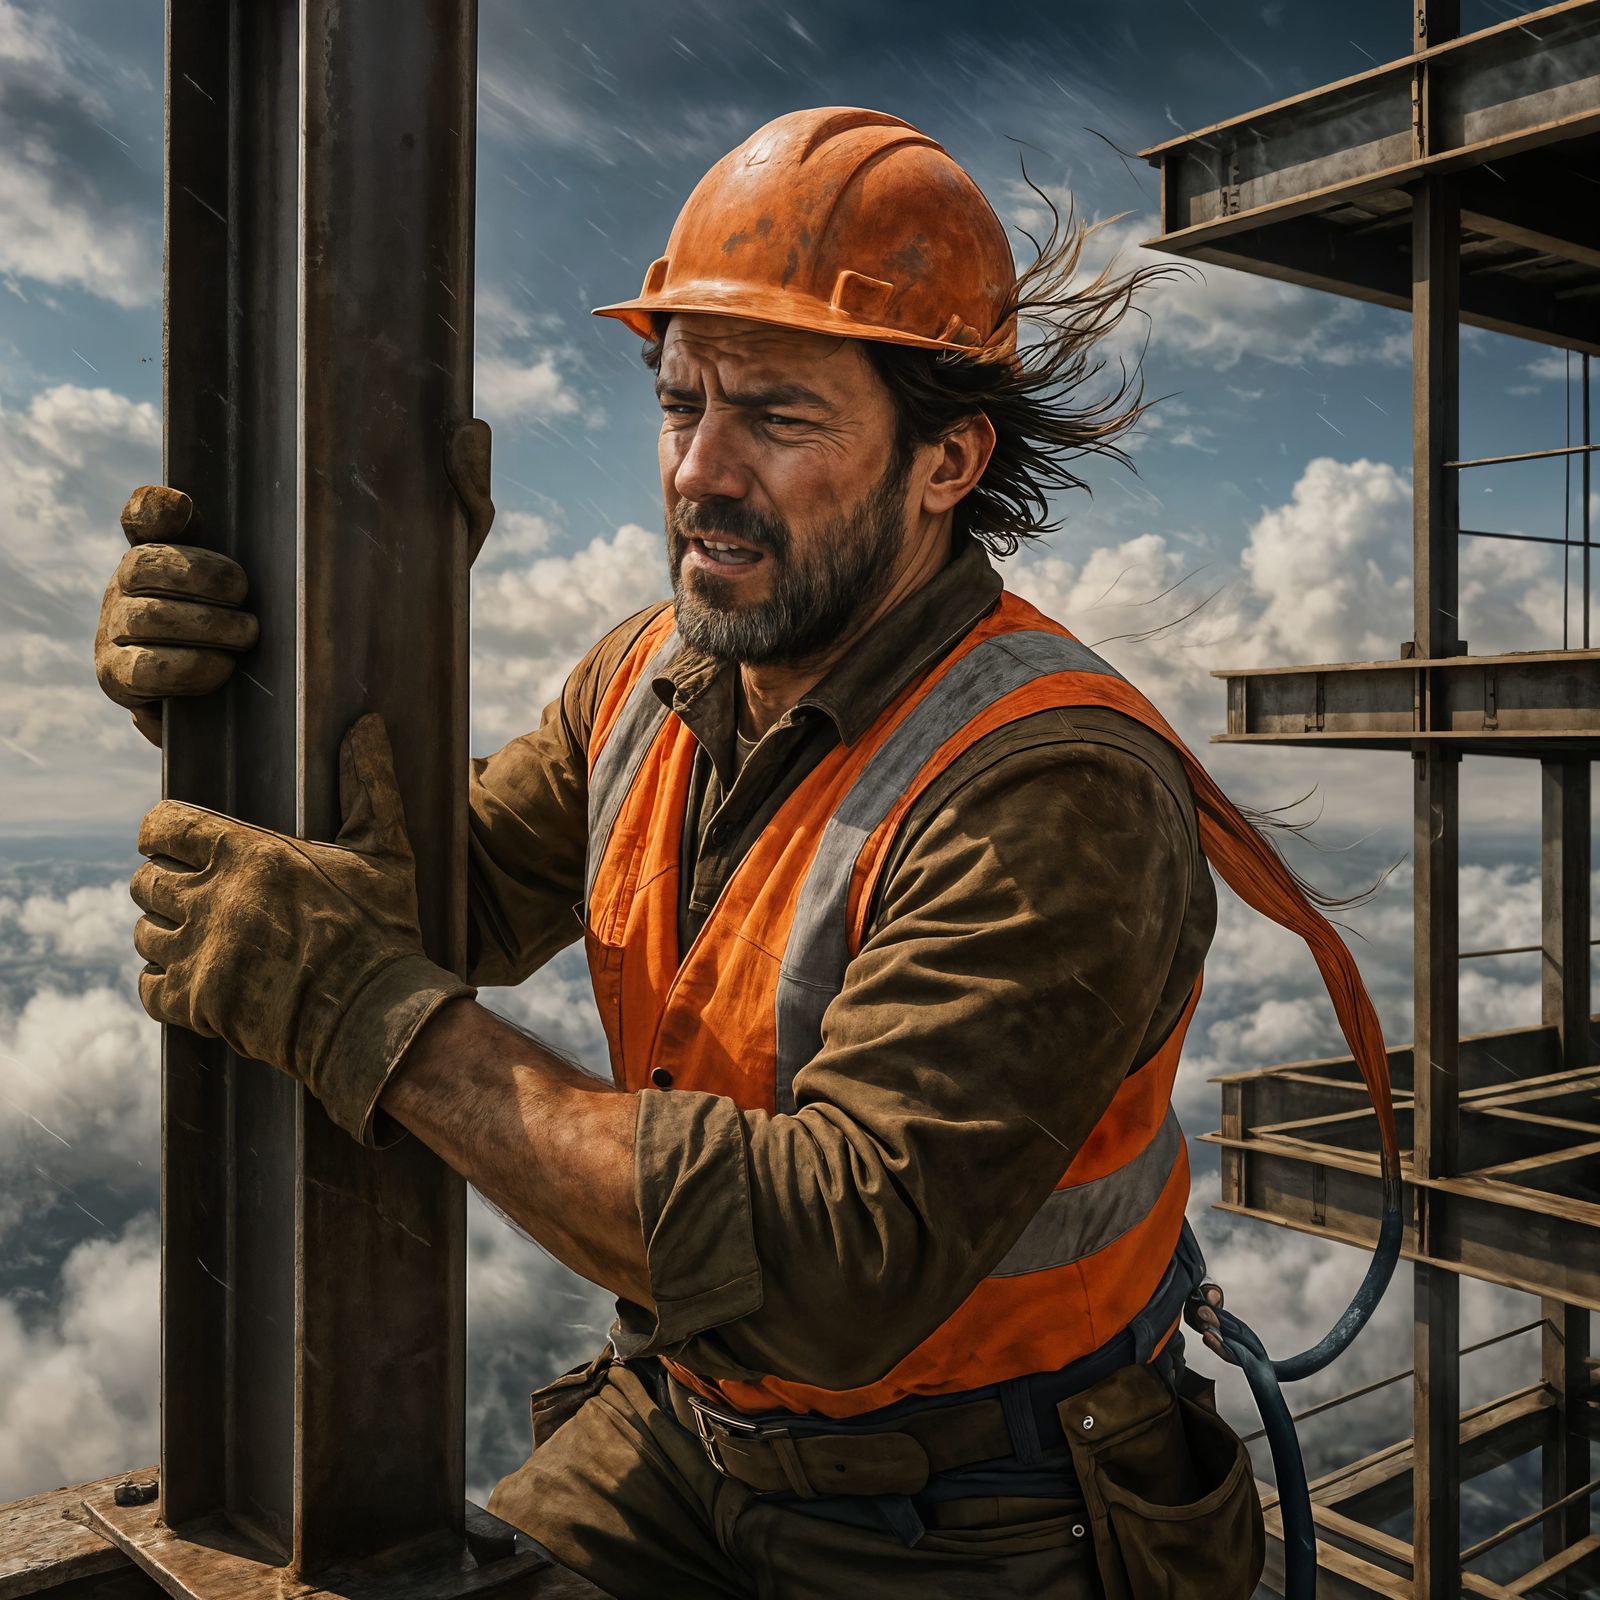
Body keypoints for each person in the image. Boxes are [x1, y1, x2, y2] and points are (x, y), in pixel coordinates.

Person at [93, 108, 1296, 1599]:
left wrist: (372, 1025)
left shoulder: (1053, 786)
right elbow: (424, 905)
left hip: (994, 1510)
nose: (699, 475)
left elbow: (839, 1260)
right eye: (681, 406)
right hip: (689, 1432)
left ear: (947, 460)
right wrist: (233, 693)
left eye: (778, 418)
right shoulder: (648, 683)